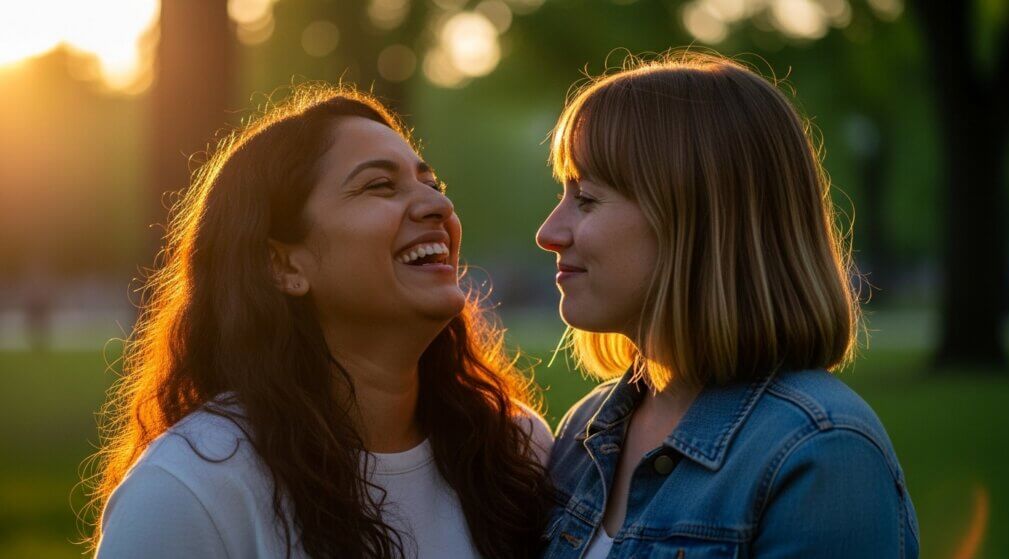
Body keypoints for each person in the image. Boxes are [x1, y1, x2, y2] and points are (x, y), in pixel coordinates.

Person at [88, 85, 552, 559]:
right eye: (379, 186)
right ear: (283, 266)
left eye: (432, 185)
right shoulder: (190, 491)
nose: (439, 206)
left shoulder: (516, 449)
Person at [535, 53, 919, 558]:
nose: (548, 233)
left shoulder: (820, 451)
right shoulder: (585, 430)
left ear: (695, 217)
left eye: (585, 197)